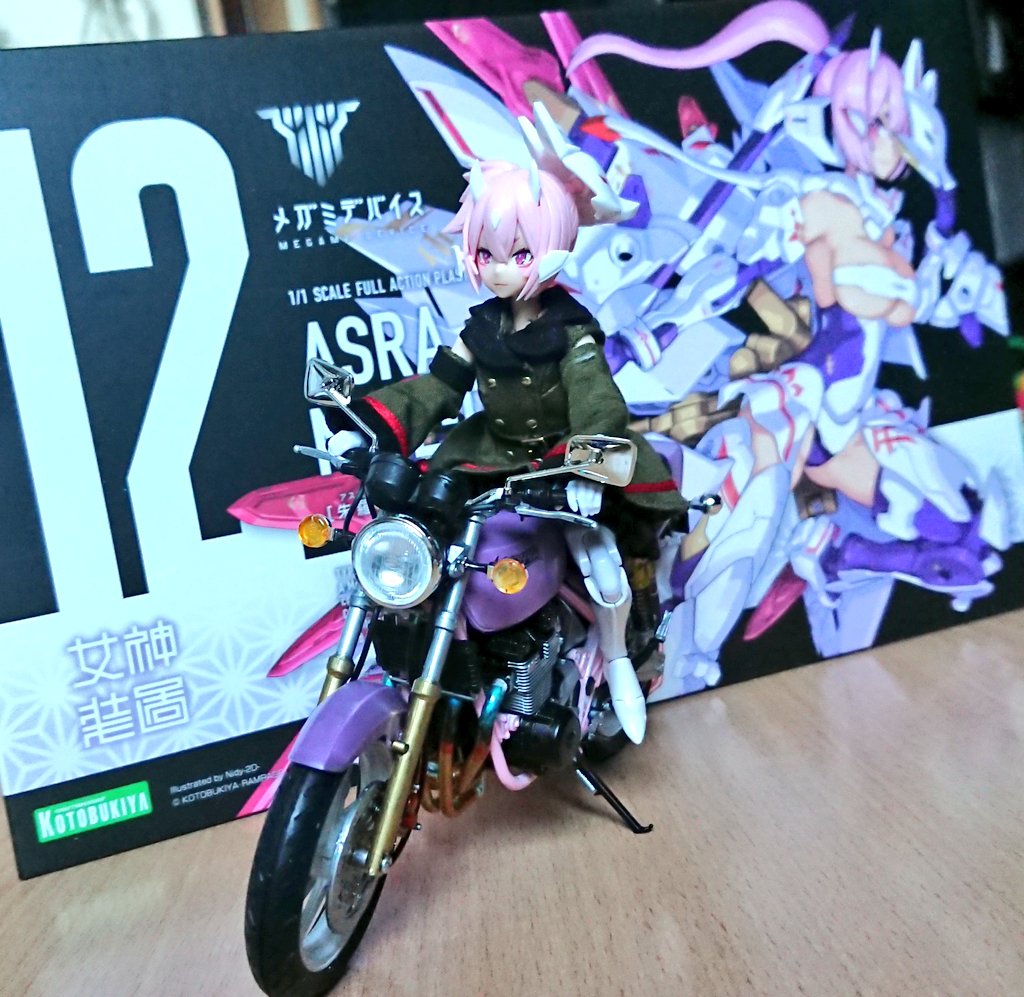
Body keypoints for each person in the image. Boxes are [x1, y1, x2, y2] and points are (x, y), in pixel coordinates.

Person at [328, 159, 686, 742]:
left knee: (601, 564)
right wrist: (369, 427)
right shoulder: (482, 329)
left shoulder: (571, 331)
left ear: (554, 249)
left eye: (520, 254)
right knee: (436, 535)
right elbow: (439, 385)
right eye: (487, 253)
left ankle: (619, 659)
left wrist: (587, 465)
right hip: (494, 455)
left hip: (562, 456)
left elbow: (596, 398)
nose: (499, 269)